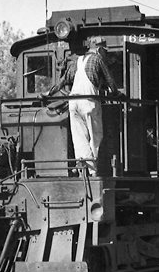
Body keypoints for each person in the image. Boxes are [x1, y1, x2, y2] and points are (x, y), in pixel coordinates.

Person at [44, 37, 122, 176]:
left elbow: (63, 81)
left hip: (73, 103)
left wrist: (48, 93)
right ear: (99, 49)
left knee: (79, 137)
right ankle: (92, 170)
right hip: (88, 102)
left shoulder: (77, 61)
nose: (105, 54)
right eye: (104, 50)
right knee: (96, 135)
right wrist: (117, 94)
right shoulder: (98, 59)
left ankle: (82, 164)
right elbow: (109, 79)